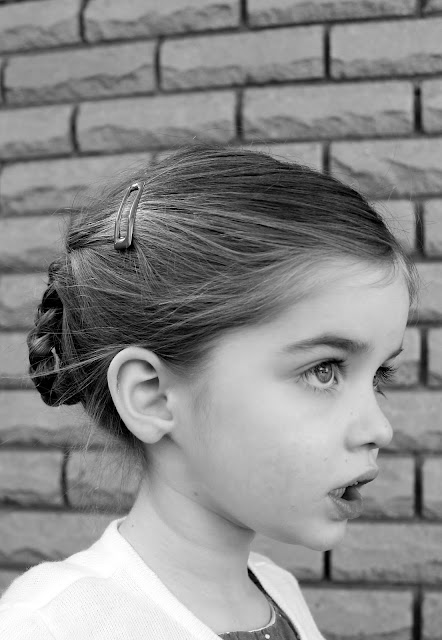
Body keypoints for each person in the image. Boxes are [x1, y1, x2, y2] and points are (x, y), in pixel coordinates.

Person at [0, 145, 418, 639]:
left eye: (378, 376)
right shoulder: (55, 626)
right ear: (152, 395)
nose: (378, 429)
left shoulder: (278, 591)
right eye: (323, 371)